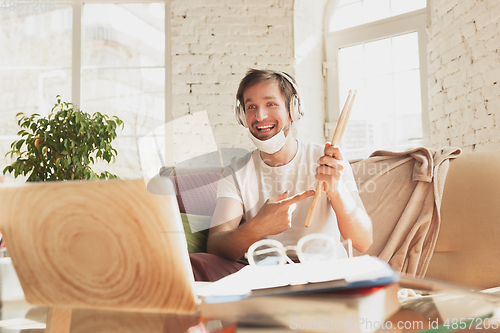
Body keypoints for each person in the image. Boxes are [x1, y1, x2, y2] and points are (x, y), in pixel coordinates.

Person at [189, 69, 372, 281]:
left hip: (324, 272)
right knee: (195, 264)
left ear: (293, 110)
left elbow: (363, 241)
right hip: (267, 274)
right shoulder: (237, 171)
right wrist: (258, 226)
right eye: (251, 107)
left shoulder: (328, 160)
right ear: (242, 116)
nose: (260, 116)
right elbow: (215, 245)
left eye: (271, 104)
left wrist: (337, 190)